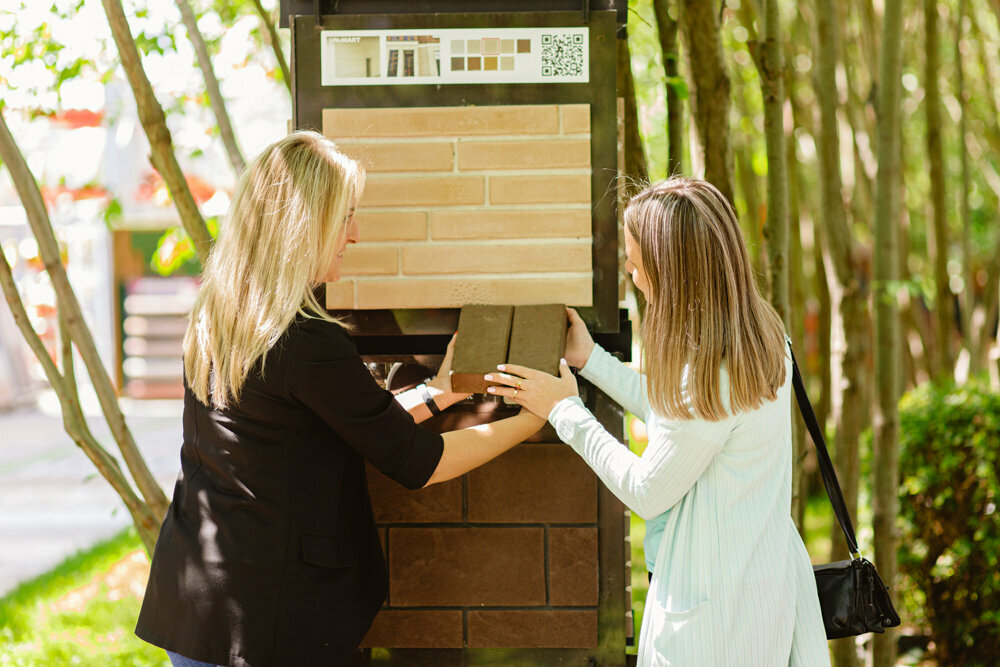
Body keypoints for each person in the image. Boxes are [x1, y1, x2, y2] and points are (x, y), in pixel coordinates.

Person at [134, 131, 545, 667]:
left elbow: (350, 422)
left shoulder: (222, 317)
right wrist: (535, 417)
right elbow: (420, 461)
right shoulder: (303, 339)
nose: (354, 234)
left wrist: (440, 390)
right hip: (269, 625)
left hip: (199, 606)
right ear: (305, 225)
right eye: (345, 217)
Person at [487, 178, 829, 666]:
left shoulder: (713, 369)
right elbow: (688, 426)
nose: (629, 269)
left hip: (717, 620)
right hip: (760, 586)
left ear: (672, 268)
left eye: (635, 259)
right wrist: (592, 360)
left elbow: (647, 489)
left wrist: (564, 410)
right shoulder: (757, 334)